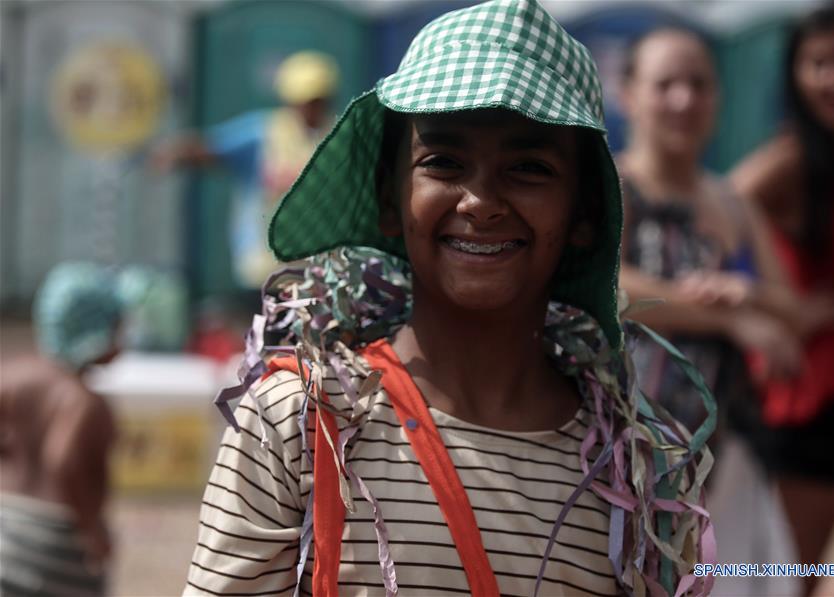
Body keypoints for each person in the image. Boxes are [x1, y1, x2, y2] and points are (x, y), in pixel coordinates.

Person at [184, 2, 715, 596]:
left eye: (529, 167)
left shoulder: (631, 479)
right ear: (390, 200)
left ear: (584, 214)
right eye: (443, 162)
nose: (480, 202)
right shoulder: (299, 422)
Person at [616, 28, 803, 597]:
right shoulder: (613, 184)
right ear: (627, 94)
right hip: (624, 449)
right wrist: (729, 318)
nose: (684, 99)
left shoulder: (731, 198)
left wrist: (742, 294)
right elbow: (610, 287)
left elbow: (787, 304)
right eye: (665, 83)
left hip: (727, 452)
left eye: (699, 84)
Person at [731, 4, 834, 596]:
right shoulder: (787, 164)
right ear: (796, 75)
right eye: (817, 64)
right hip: (808, 407)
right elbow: (705, 230)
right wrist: (768, 308)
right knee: (783, 578)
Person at [152, 51, 338, 288]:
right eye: (307, 101)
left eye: (318, 101)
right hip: (266, 264)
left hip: (321, 263)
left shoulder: (337, 135)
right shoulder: (265, 132)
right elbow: (213, 149)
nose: (312, 108)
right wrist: (173, 154)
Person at [0, 262, 121, 596]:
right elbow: (62, 459)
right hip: (55, 540)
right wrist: (92, 528)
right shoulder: (83, 401)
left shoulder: (12, 376)